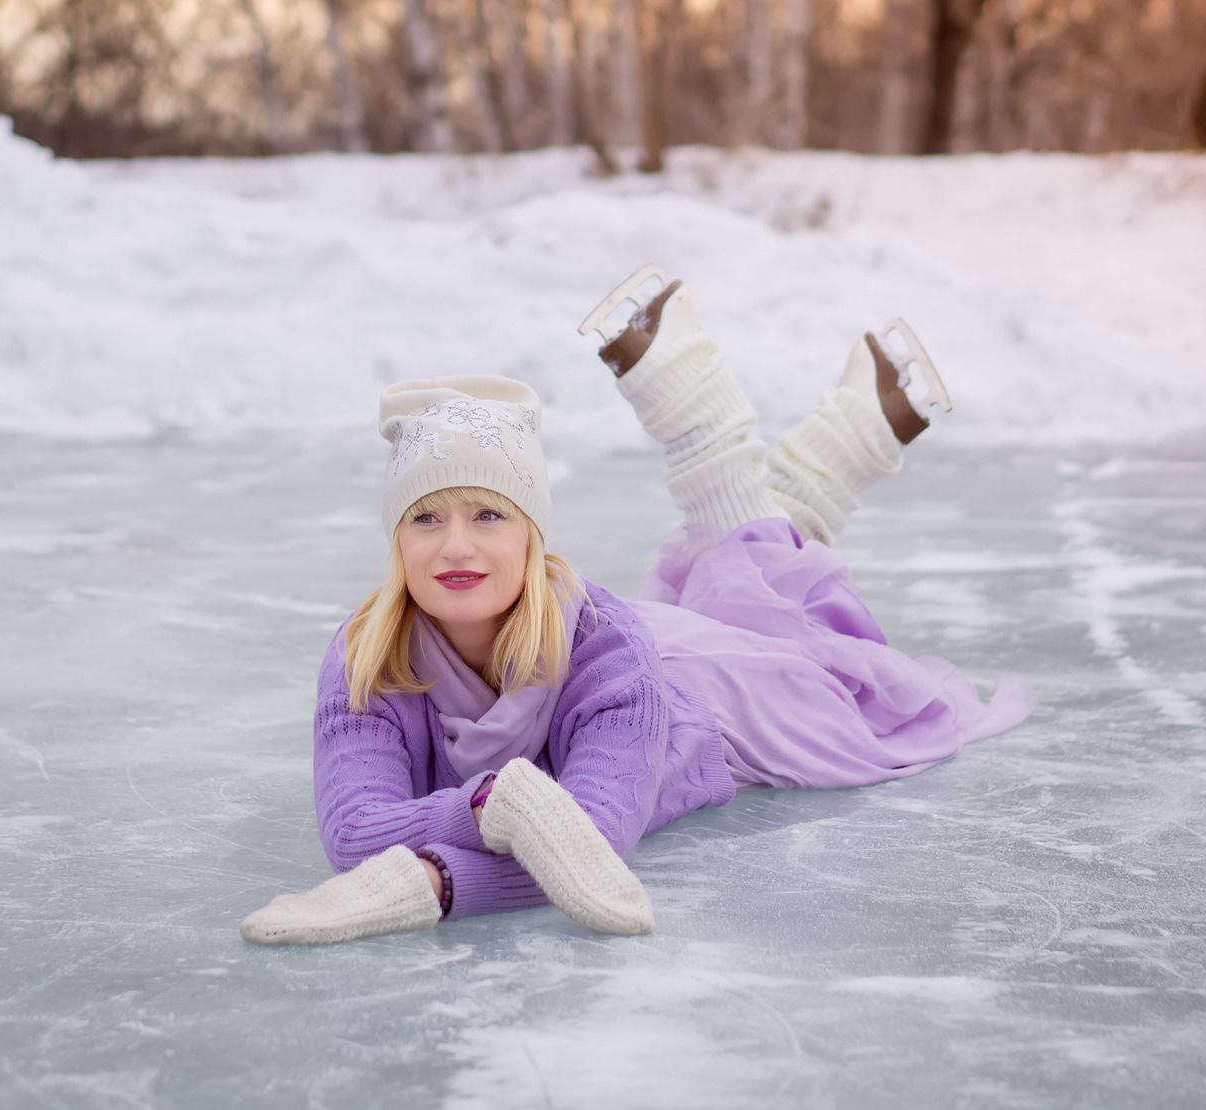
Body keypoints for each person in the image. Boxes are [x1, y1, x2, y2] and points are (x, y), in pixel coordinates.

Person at [239, 269, 1035, 945]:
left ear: (533, 539)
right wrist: (494, 807)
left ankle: (723, 412)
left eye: (488, 516)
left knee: (802, 641)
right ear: (396, 539)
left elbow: (586, 843)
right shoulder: (366, 651)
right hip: (643, 661)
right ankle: (830, 423)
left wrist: (436, 882)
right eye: (425, 518)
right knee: (742, 580)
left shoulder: (605, 650)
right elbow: (354, 830)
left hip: (716, 709)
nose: (455, 548)